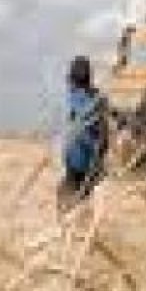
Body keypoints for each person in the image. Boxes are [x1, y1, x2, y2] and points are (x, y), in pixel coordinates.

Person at [58, 55, 110, 210]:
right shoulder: (95, 99)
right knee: (78, 201)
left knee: (73, 202)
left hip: (82, 165)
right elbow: (102, 139)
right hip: (84, 165)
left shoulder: (80, 98)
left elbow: (100, 138)